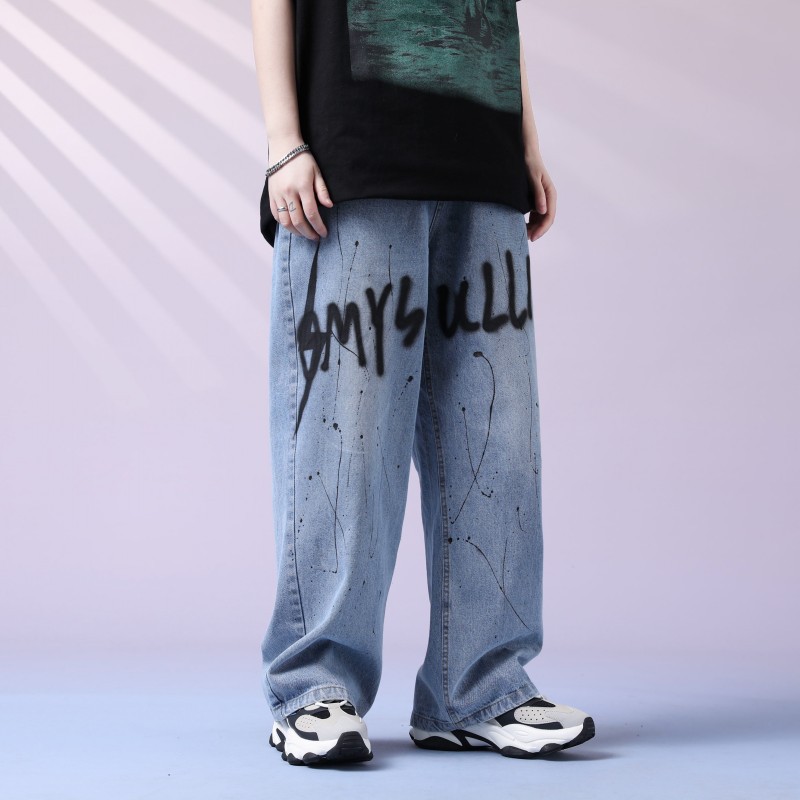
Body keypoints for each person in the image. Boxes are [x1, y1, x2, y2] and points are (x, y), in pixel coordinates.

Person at [251, 0, 595, 766]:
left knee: (497, 443)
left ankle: (479, 690)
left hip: (482, 161)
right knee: (347, 444)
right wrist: (283, 141)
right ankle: (312, 686)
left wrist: (526, 141)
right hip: (352, 158)